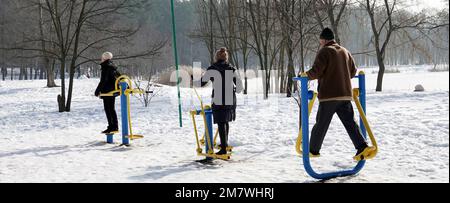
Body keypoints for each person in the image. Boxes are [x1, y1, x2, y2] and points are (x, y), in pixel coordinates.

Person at [306, 28, 376, 160]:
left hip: (329, 95)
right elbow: (353, 72)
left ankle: (313, 150)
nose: (320, 42)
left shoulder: (325, 51)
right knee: (350, 122)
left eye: (320, 40)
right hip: (345, 94)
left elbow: (316, 71)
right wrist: (341, 76)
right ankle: (362, 146)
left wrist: (304, 76)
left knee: (321, 123)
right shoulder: (345, 51)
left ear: (324, 39)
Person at [199, 47, 243, 155]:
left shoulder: (212, 68)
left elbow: (201, 83)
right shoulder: (231, 68)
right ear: (226, 57)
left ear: (216, 57)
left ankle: (223, 148)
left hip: (218, 98)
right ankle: (225, 144)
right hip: (230, 98)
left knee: (221, 122)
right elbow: (240, 87)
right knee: (226, 121)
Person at [95, 52, 121, 134]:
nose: (101, 59)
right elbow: (119, 77)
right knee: (111, 109)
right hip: (112, 90)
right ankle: (114, 126)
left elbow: (103, 80)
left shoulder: (106, 67)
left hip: (107, 91)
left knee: (108, 109)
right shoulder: (113, 66)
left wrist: (97, 90)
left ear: (104, 58)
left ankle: (111, 127)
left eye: (102, 57)